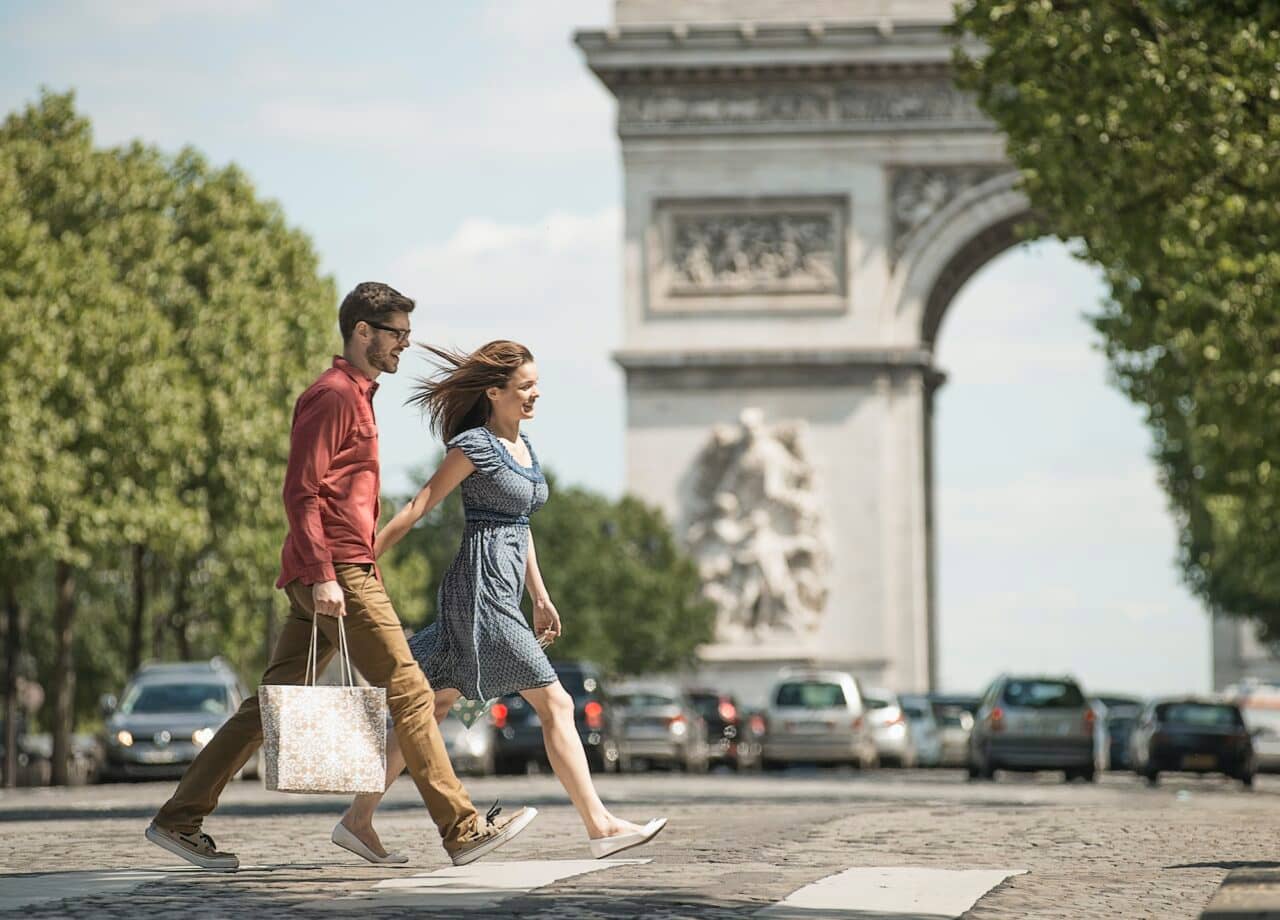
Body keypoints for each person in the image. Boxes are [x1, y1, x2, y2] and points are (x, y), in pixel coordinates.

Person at [145, 283, 537, 872]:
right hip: (339, 571)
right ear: (363, 332)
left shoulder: (357, 394)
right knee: (409, 689)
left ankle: (178, 820)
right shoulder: (331, 396)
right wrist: (328, 575)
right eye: (396, 334)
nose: (404, 343)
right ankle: (461, 828)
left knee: (269, 705)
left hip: (335, 569)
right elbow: (300, 492)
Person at [333, 339, 665, 863]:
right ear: (494, 392)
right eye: (524, 387)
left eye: (536, 385)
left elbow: (520, 524)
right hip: (480, 589)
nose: (535, 395)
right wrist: (359, 560)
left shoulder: (523, 447)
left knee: (435, 703)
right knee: (556, 702)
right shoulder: (475, 445)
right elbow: (420, 505)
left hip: (508, 589)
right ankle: (600, 826)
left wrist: (540, 594)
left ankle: (357, 819)